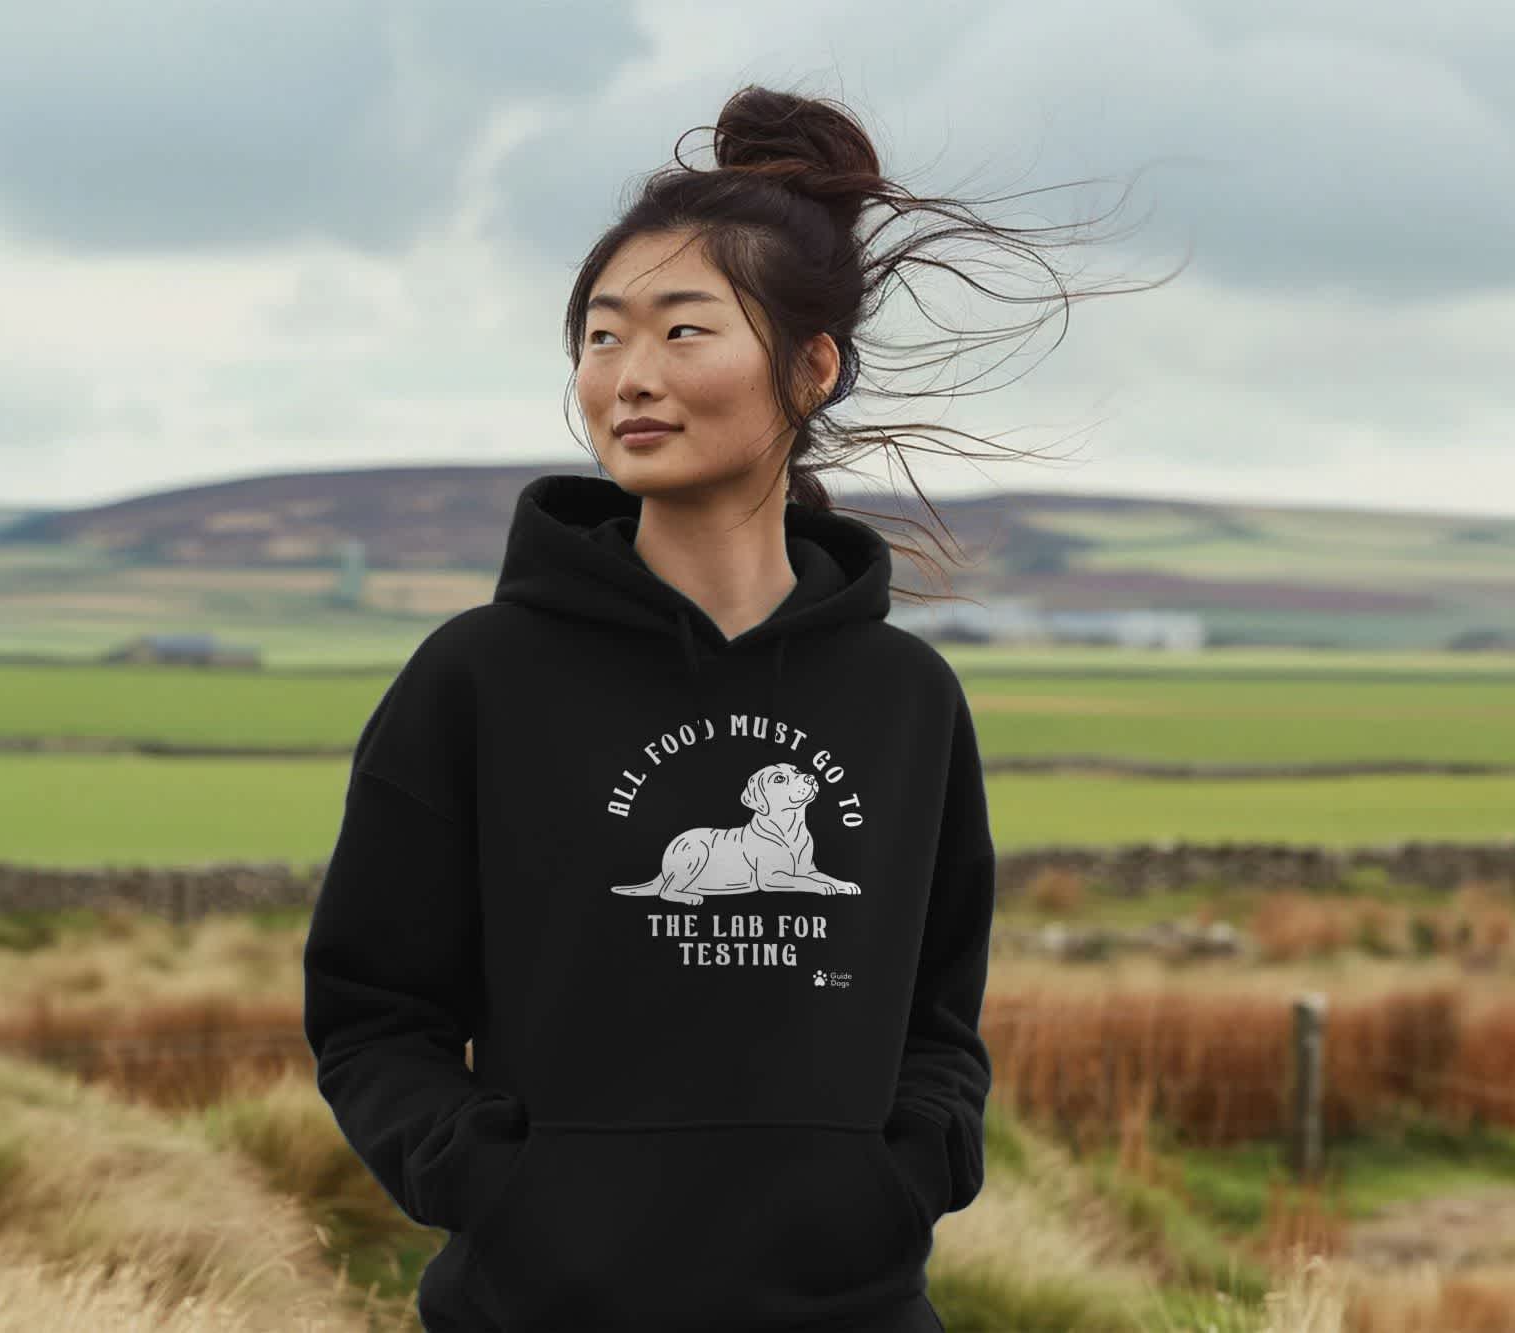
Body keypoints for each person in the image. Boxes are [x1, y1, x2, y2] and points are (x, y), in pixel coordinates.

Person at [303, 83, 1172, 1333]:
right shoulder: (476, 677)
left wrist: (901, 1177)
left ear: (808, 368)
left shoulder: (903, 698)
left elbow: (938, 1015)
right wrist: (503, 1189)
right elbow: (372, 1011)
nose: (628, 378)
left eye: (680, 333)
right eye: (601, 338)